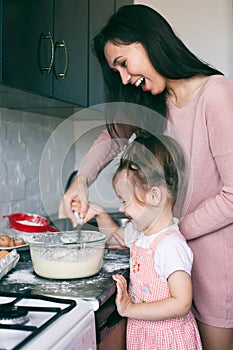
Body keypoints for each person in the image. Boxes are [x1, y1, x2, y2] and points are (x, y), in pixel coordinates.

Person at [59, 4, 233, 349]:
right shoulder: (155, 106)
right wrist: (81, 181)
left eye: (123, 63)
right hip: (167, 266)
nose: (124, 79)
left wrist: (169, 232)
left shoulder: (216, 94)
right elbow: (111, 137)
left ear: (149, 41)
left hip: (214, 270)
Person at [73, 134, 202, 350]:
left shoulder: (170, 245)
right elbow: (114, 236)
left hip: (166, 341)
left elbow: (182, 302)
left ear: (154, 196)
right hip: (145, 335)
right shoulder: (141, 232)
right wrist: (99, 214)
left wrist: (130, 309)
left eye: (125, 201)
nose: (122, 209)